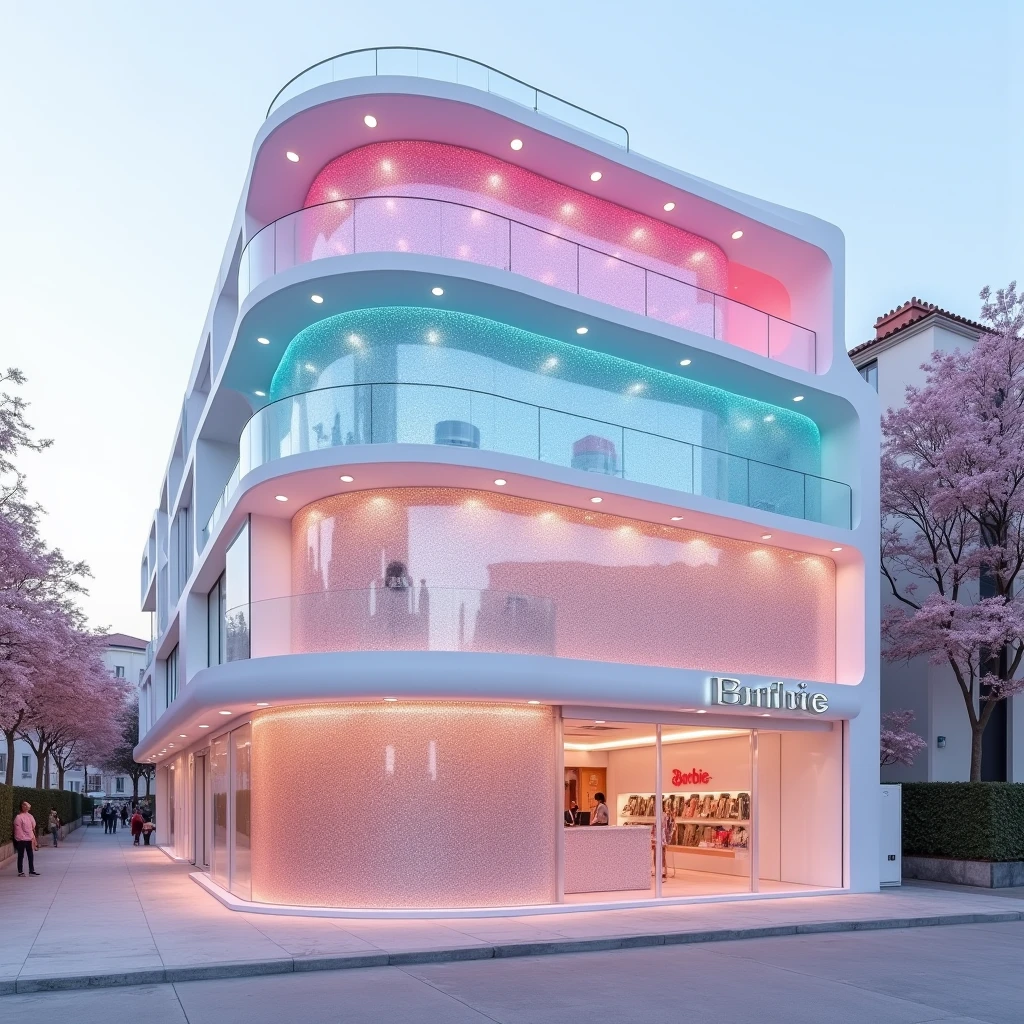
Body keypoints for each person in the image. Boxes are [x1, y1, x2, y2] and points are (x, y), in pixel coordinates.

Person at [13, 801, 39, 876]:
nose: (26, 807)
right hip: (22, 839)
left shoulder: (30, 816)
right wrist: (21, 837)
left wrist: (32, 837)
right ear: (21, 807)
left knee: (30, 854)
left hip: (29, 838)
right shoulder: (19, 817)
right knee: (21, 855)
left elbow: (33, 826)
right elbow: (18, 829)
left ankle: (31, 870)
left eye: (26, 805)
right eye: (24, 805)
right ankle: (20, 871)